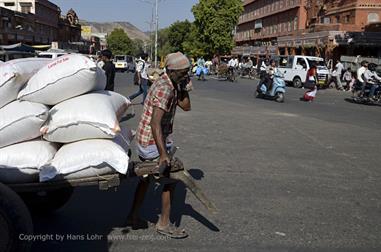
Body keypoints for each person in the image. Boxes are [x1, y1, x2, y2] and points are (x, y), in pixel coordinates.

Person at [127, 52, 191, 239]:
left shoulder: (172, 83)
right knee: (171, 179)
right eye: (183, 73)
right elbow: (155, 123)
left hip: (151, 139)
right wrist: (163, 155)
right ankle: (163, 224)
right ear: (171, 71)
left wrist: (183, 85)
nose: (186, 75)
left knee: (145, 178)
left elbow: (186, 106)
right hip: (151, 142)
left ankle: (133, 216)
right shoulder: (165, 88)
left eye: (188, 72)